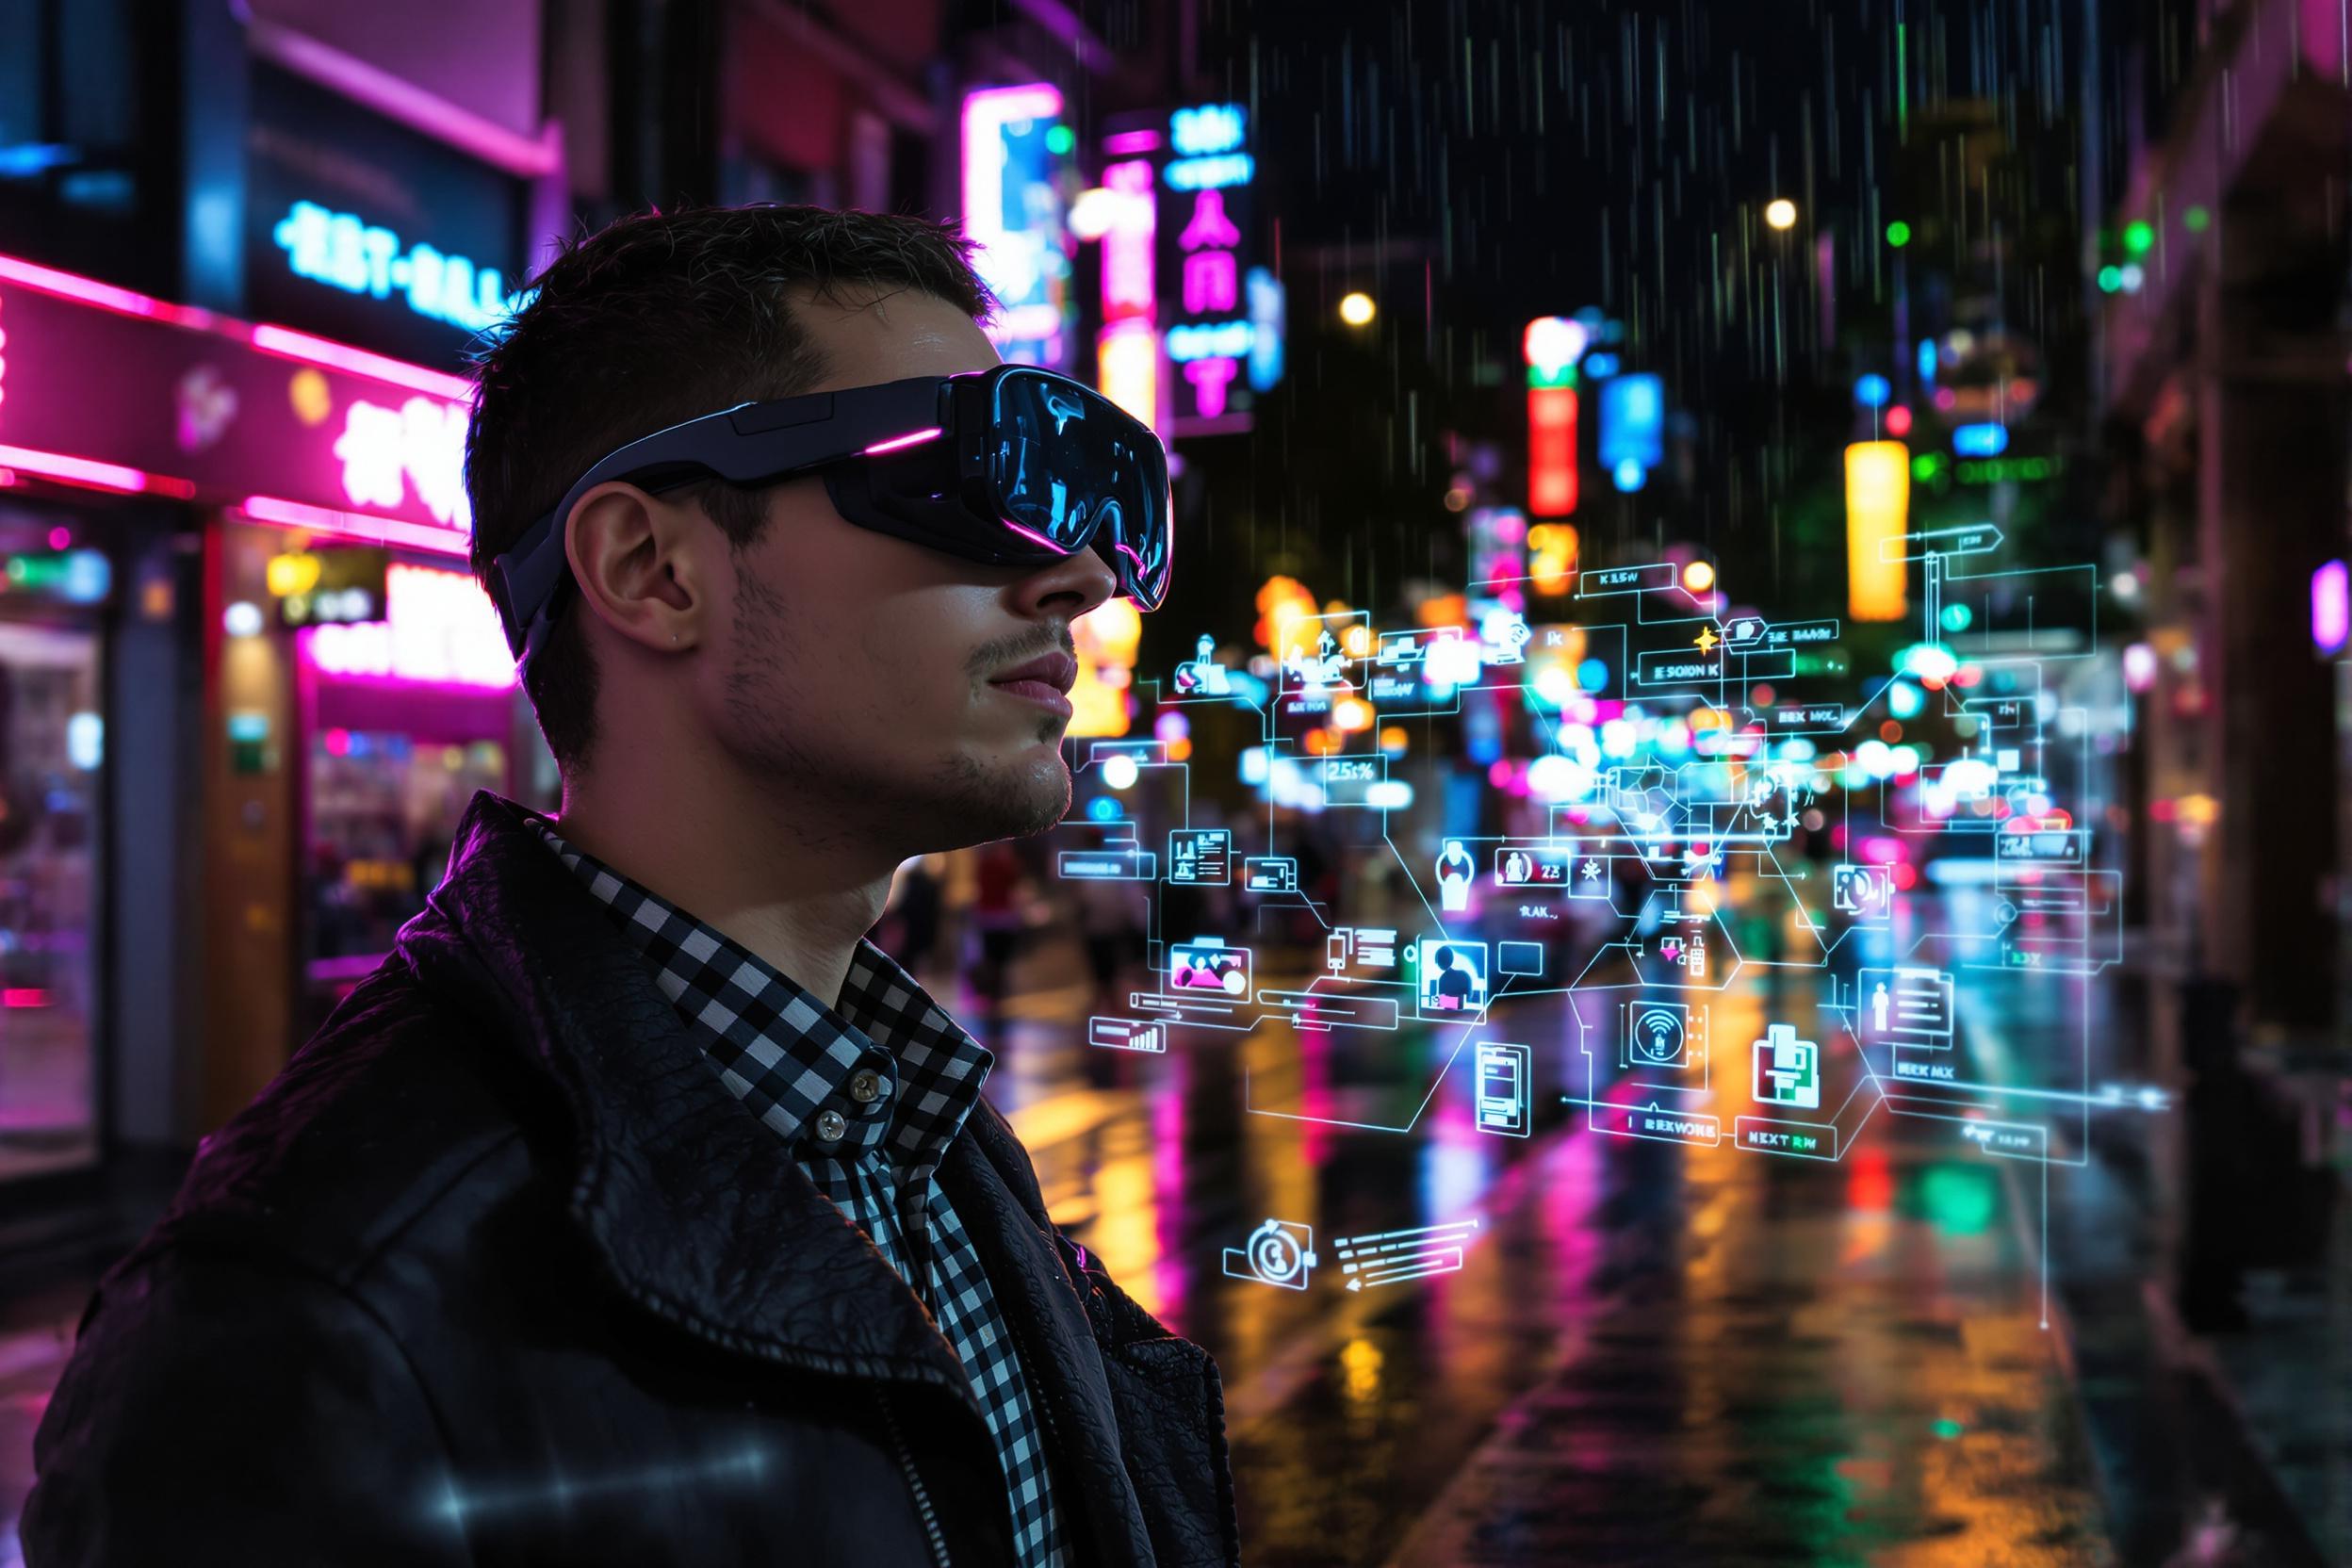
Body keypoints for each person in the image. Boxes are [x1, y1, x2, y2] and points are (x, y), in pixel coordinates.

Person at [25, 206, 1233, 1567]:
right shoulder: (302, 1316)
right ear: (651, 570)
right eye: (966, 480)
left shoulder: (924, 1134)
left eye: (1079, 514)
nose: (1073, 579)